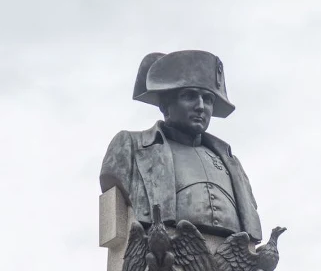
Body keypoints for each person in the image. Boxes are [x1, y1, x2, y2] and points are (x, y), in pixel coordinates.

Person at [100, 50, 262, 242]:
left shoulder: (230, 161)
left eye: (208, 99)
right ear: (165, 105)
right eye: (190, 96)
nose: (201, 106)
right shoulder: (130, 146)